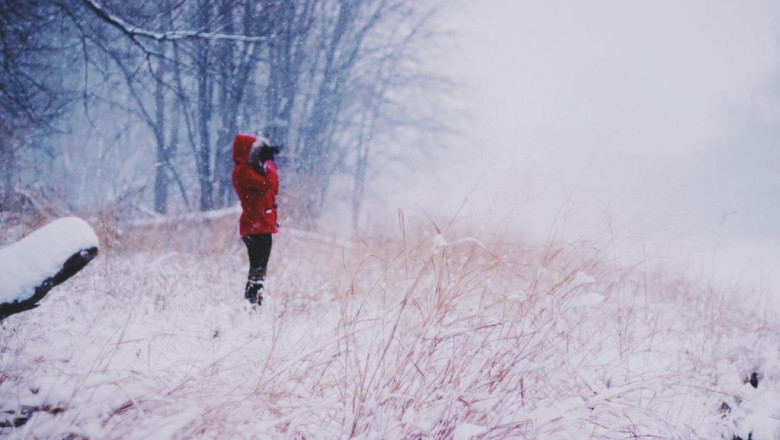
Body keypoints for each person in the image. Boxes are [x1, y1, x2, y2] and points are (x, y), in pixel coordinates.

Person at [231, 133, 280, 307]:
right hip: (255, 226)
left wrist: (267, 164)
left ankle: (254, 304)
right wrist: (268, 163)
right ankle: (252, 304)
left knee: (260, 269)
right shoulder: (242, 171)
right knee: (257, 268)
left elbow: (274, 188)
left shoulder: (250, 171)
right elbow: (267, 185)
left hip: (261, 225)